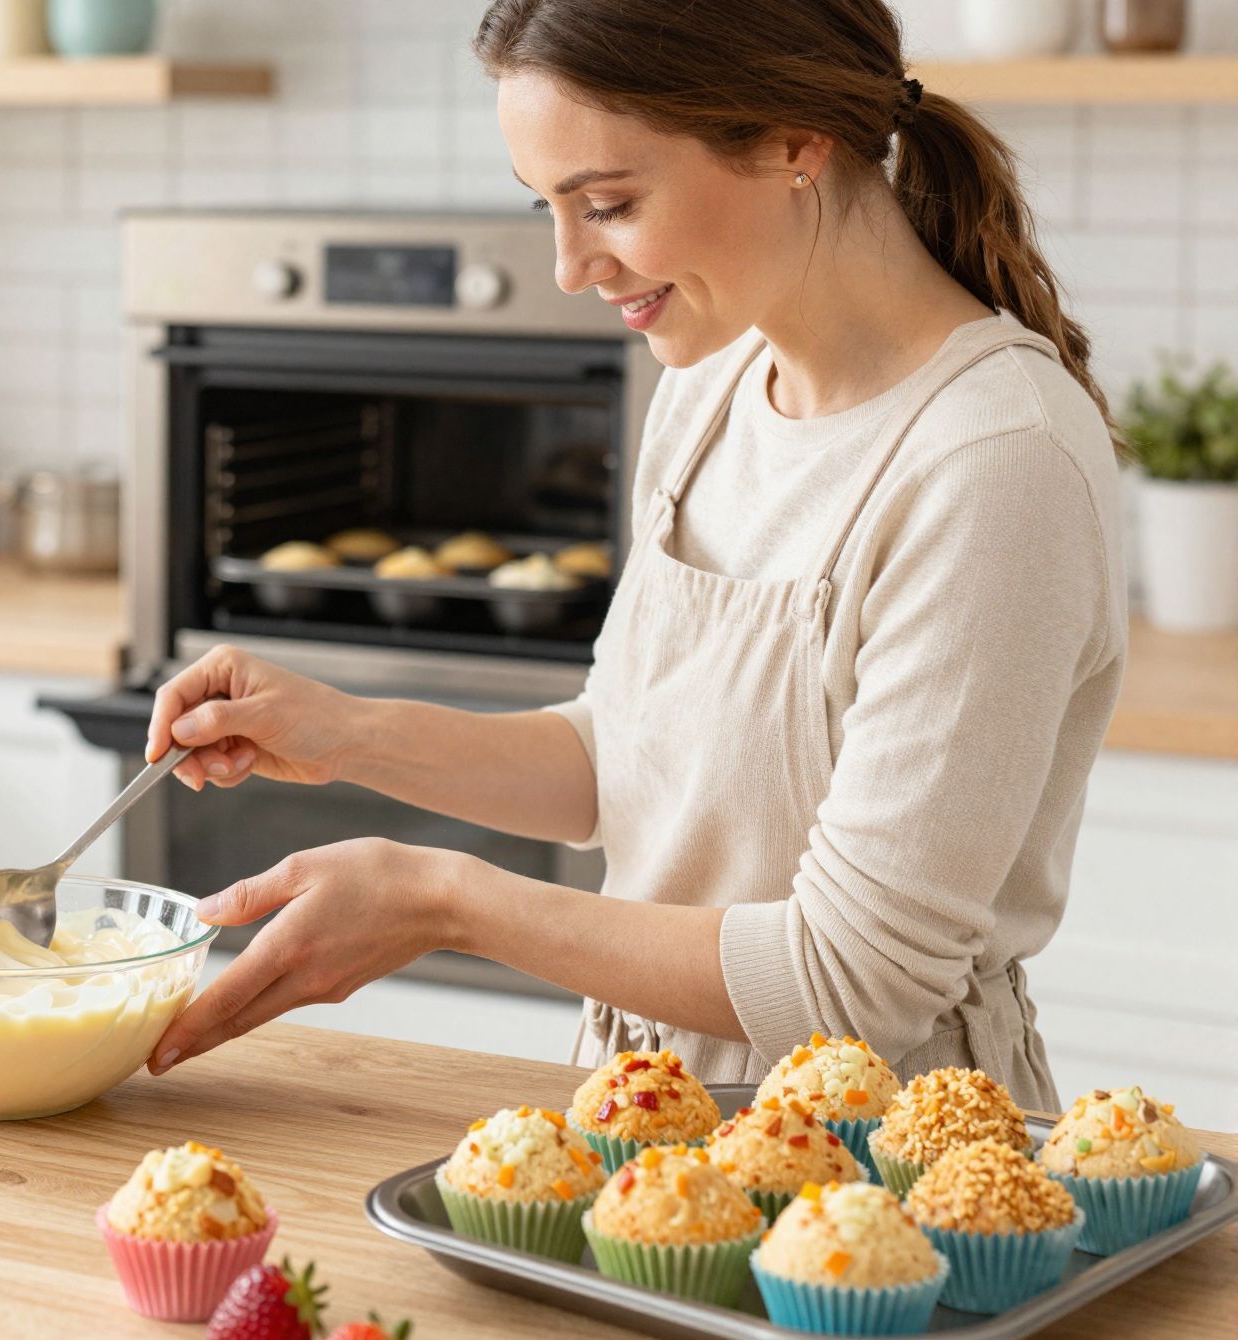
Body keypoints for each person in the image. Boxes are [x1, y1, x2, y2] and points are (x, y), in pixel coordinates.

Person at [139, 0, 1126, 1110]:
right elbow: (625, 763)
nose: (568, 266)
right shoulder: (706, 384)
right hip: (638, 1118)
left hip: (887, 1164)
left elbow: (853, 982)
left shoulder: (990, 461)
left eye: (606, 204)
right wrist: (342, 731)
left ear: (792, 140)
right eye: (547, 209)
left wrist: (446, 902)